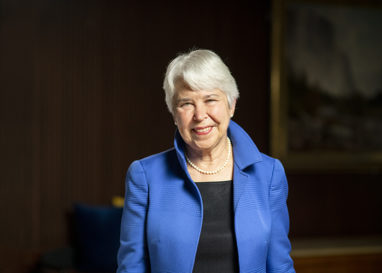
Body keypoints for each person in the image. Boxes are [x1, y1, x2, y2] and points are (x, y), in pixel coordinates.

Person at [117, 49, 295, 273]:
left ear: (231, 105)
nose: (200, 115)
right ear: (174, 113)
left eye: (210, 99)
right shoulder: (145, 176)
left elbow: (280, 266)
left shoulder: (269, 174)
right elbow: (131, 267)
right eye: (186, 104)